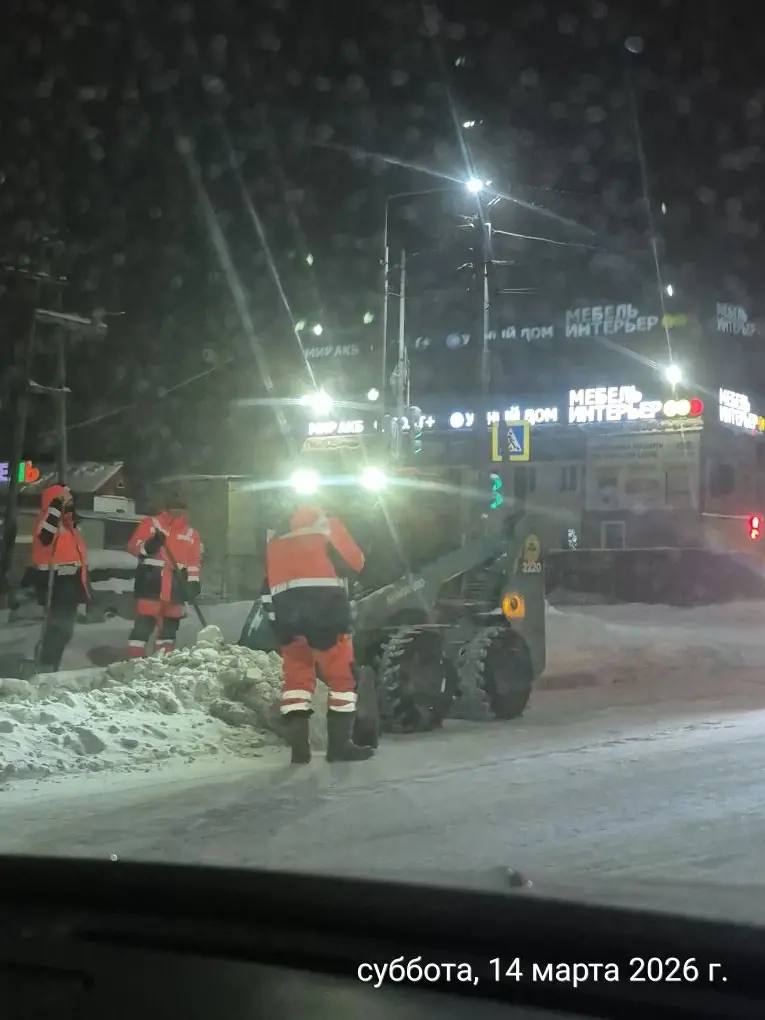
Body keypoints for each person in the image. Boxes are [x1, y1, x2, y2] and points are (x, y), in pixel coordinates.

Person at [265, 502, 374, 765]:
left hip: (288, 617)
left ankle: (299, 752)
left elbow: (267, 579)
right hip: (325, 614)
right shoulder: (327, 524)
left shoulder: (276, 536)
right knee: (342, 681)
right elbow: (357, 562)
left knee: (296, 684)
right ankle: (339, 748)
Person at [126, 489, 201, 657]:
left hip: (176, 586)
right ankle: (134, 663)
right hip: (151, 583)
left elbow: (194, 563)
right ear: (167, 508)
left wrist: (194, 582)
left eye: (181, 508)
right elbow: (133, 547)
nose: (178, 511)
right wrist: (150, 546)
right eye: (174, 507)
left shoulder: (191, 534)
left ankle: (163, 663)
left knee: (169, 630)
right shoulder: (151, 524)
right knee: (143, 626)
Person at [31, 483, 90, 672]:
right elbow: (45, 537)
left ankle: (51, 666)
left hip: (69, 585)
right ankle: (45, 667)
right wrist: (55, 511)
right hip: (55, 584)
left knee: (64, 631)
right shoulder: (47, 522)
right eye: (67, 502)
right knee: (57, 630)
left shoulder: (70, 529)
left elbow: (78, 560)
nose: (71, 506)